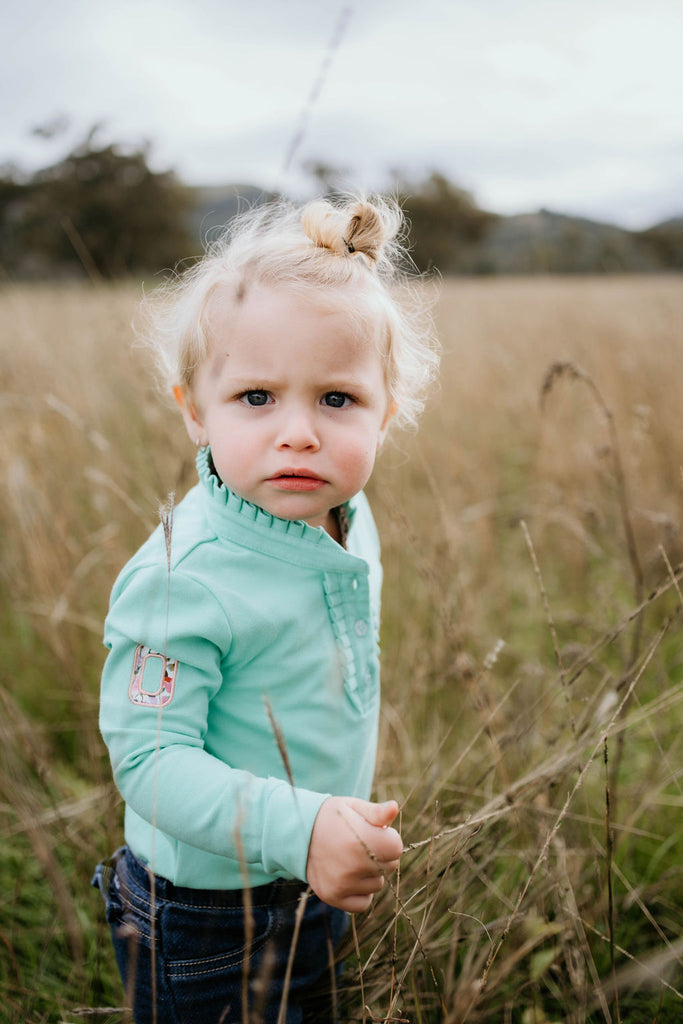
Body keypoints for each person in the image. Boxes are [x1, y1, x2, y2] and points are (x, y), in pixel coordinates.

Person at [93, 195, 439, 1023]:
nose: (297, 433)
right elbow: (148, 760)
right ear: (193, 409)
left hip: (316, 875)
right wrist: (302, 827)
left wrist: (318, 835)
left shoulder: (346, 524)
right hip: (205, 916)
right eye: (255, 397)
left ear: (384, 415)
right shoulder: (184, 576)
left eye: (335, 399)